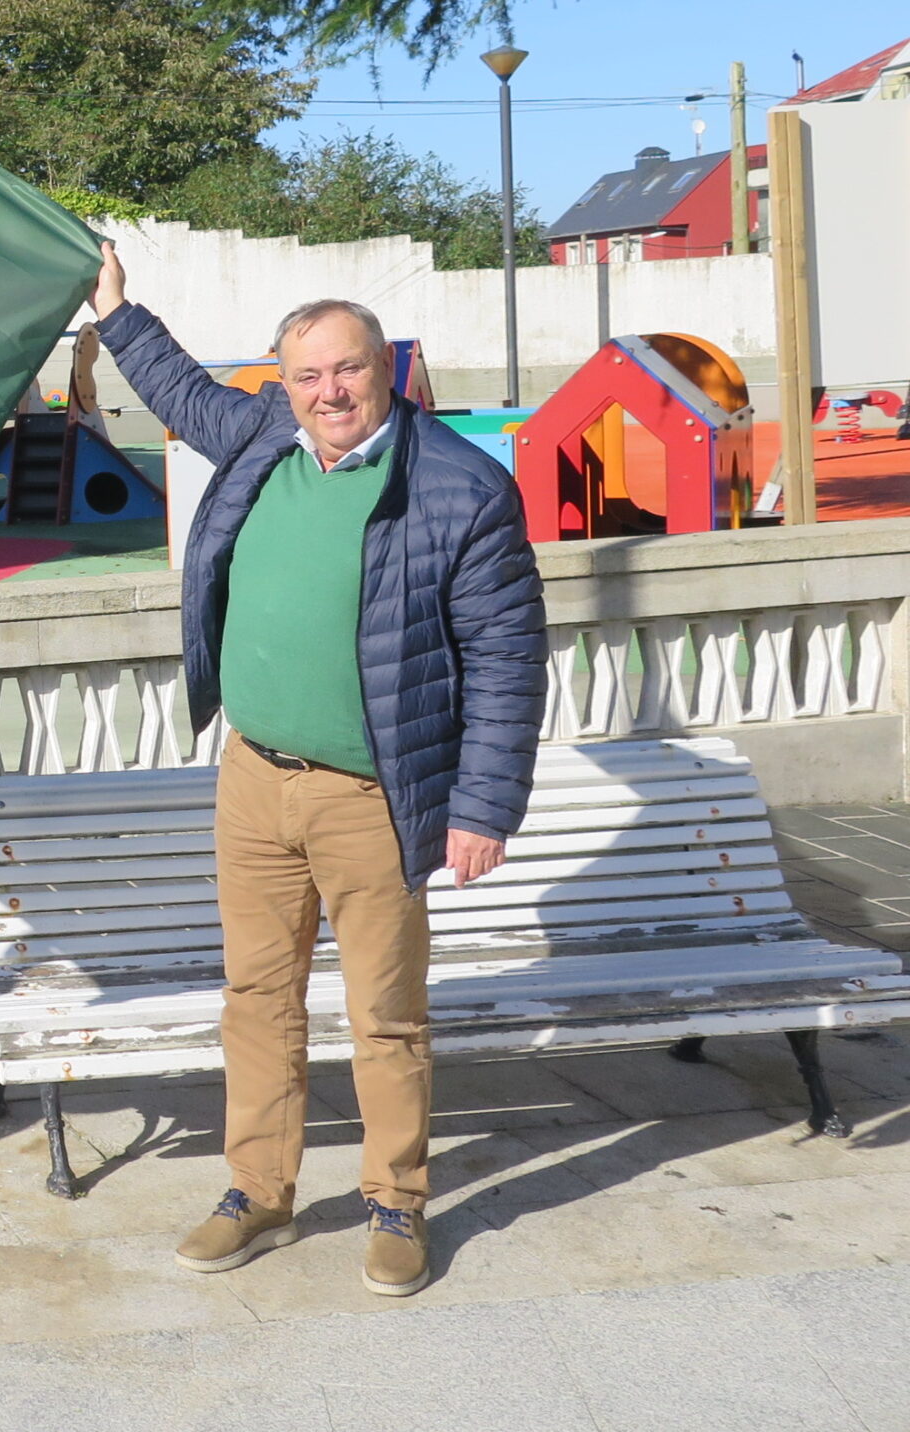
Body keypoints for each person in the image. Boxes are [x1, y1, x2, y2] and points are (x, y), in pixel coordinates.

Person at [90, 241, 546, 1298]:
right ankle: (258, 1191)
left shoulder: (460, 488)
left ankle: (396, 1202)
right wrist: (115, 311)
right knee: (256, 997)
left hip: (372, 798)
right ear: (285, 383)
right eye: (307, 374)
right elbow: (179, 391)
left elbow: (507, 657)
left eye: (346, 368)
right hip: (253, 778)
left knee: (384, 1014)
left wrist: (482, 806)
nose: (328, 392)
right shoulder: (264, 437)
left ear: (384, 368)